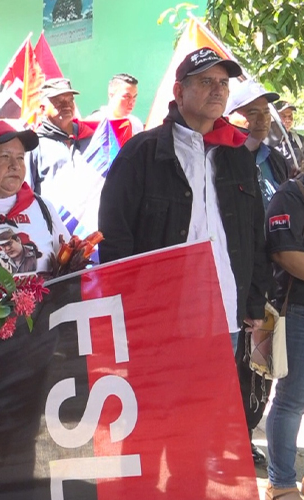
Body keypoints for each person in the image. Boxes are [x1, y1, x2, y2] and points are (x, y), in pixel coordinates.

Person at [98, 47, 271, 494]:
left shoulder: (237, 155)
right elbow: (114, 235)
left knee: (203, 431)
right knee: (151, 425)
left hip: (224, 319)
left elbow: (254, 233)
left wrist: (253, 302)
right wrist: (129, 306)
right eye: (206, 82)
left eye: (223, 84)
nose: (217, 91)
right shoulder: (143, 152)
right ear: (179, 91)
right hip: (159, 320)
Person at [0, 121, 69, 500]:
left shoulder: (42, 209)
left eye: (20, 158)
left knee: (22, 448)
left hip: (33, 355)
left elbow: (66, 265)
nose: (15, 165)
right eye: (3, 157)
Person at [226, 78, 287, 466]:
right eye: (252, 112)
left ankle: (245, 432)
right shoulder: (224, 157)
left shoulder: (276, 158)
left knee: (261, 365)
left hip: (275, 278)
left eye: (265, 112)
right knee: (233, 363)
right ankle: (228, 437)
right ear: (233, 117)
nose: (261, 120)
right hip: (238, 277)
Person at [264, 174, 304, 500]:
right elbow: (285, 255)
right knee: (291, 400)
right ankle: (282, 483)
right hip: (298, 312)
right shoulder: (289, 197)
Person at [25, 77, 94, 197]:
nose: (66, 105)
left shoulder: (89, 139)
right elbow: (26, 192)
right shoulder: (34, 144)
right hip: (50, 215)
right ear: (42, 109)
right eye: (58, 101)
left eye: (70, 100)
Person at [275, 101, 304, 176]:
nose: (288, 120)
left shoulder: (299, 140)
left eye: (290, 116)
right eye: (283, 116)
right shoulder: (267, 141)